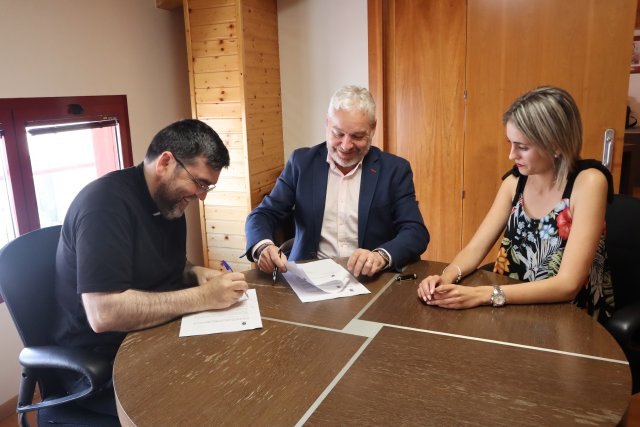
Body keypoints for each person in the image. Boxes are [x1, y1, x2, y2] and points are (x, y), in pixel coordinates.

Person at [54, 119, 248, 414]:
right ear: (166, 162)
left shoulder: (169, 201)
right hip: (102, 366)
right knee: (207, 407)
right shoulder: (104, 206)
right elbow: (103, 313)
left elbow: (165, 265)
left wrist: (196, 273)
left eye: (208, 186)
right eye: (199, 183)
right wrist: (204, 297)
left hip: (156, 339)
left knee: (236, 374)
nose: (201, 196)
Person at [417, 86, 614, 322]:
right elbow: (475, 248)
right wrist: (446, 277)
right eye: (511, 143)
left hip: (568, 316)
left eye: (522, 147)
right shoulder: (514, 182)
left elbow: (568, 285)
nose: (512, 155)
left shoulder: (589, 183)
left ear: (556, 145)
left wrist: (482, 294)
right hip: (509, 307)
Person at [245, 85, 429, 277]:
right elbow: (263, 214)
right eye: (338, 134)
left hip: (369, 279)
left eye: (357, 136)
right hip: (309, 276)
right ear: (327, 123)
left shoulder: (395, 170)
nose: (346, 146)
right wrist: (263, 246)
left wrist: (380, 256)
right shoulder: (301, 163)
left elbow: (415, 231)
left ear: (373, 128)